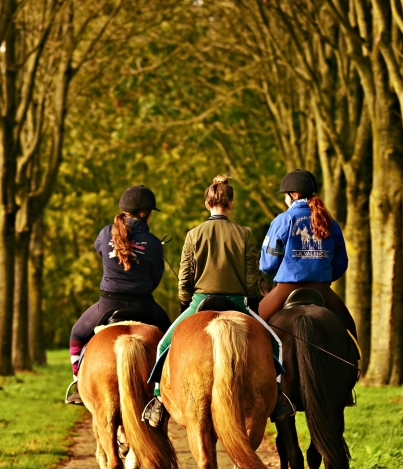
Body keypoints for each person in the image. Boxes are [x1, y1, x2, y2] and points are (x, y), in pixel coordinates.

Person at [145, 174, 293, 426]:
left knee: (163, 346)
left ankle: (158, 400)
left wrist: (185, 302)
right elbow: (251, 275)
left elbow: (185, 275)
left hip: (200, 301)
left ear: (207, 203)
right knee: (275, 343)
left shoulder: (194, 234)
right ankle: (277, 397)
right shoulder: (244, 233)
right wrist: (253, 302)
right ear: (231, 204)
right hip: (237, 302)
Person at [65, 185, 171, 405]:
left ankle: (77, 383)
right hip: (144, 305)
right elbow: (156, 279)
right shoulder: (152, 243)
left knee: (76, 335)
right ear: (144, 214)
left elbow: (99, 249)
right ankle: (166, 388)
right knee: (171, 338)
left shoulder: (106, 233)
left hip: (107, 304)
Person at [259, 169, 357, 338]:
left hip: (286, 288)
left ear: (294, 195)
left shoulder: (283, 220)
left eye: (285, 195)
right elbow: (341, 262)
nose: (284, 199)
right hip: (322, 288)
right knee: (350, 331)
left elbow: (267, 264)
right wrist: (322, 273)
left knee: (253, 327)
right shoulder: (330, 223)